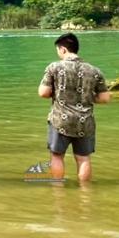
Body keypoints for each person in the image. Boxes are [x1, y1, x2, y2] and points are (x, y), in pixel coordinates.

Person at [38, 32, 110, 182]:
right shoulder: (94, 71)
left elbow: (43, 93)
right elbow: (104, 98)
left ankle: (58, 191)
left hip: (60, 121)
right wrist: (88, 97)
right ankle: (85, 194)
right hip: (85, 122)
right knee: (83, 158)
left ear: (63, 49)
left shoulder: (54, 67)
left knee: (57, 156)